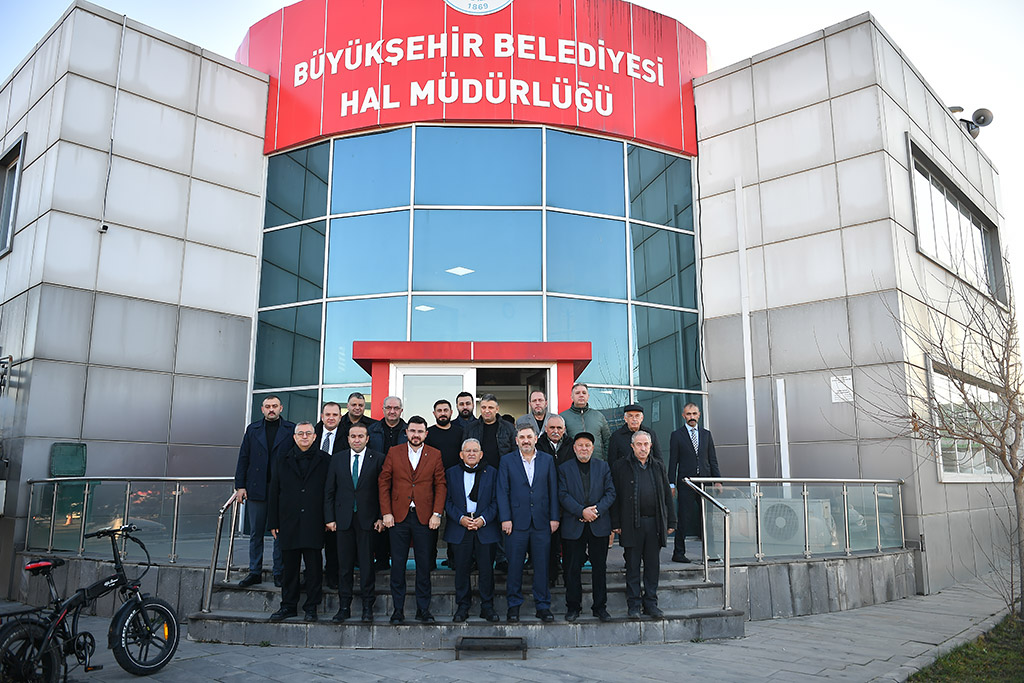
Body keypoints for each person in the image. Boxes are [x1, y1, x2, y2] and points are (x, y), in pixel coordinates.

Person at [378, 416, 446, 624]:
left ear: (426, 434)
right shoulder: (394, 452)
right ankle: (397, 610)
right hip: (398, 517)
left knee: (424, 566)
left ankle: (423, 610)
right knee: (398, 565)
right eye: (413, 431)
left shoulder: (435, 454)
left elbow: (440, 485)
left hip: (425, 518)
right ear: (406, 432)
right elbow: (384, 483)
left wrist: (437, 513)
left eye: (420, 431)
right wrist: (386, 513)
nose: (416, 435)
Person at [267, 422, 331, 622]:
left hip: (315, 520)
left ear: (314, 437)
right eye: (300, 433)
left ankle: (311, 607)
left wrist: (328, 519)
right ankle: (288, 606)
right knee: (289, 568)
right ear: (294, 437)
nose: (304, 436)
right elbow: (274, 491)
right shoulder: (281, 459)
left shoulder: (326, 460)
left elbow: (330, 492)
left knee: (314, 569)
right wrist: (273, 521)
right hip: (288, 521)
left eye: (308, 433)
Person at [497, 424, 559, 623]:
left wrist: (554, 517)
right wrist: (505, 518)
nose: (525, 440)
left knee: (542, 566)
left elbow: (553, 490)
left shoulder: (547, 460)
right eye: (522, 437)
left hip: (542, 522)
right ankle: (513, 606)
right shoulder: (507, 461)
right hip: (515, 523)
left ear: (535, 439)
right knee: (515, 566)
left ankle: (543, 606)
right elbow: (502, 491)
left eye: (529, 437)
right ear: (516, 440)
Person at [324, 422, 385, 623]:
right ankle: (344, 607)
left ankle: (368, 608)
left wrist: (381, 516)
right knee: (344, 566)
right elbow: (329, 491)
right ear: (348, 438)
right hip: (343, 520)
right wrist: (330, 518)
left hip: (368, 520)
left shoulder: (378, 459)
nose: (356, 440)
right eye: (353, 436)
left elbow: (383, 491)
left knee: (367, 566)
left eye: (360, 436)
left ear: (367, 439)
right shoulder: (337, 459)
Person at [612, 431, 676, 619]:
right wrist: (615, 522)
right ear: (632, 446)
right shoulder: (620, 467)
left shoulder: (658, 466)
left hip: (654, 524)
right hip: (631, 524)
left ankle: (651, 604)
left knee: (652, 566)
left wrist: (671, 520)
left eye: (646, 444)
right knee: (632, 566)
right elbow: (615, 496)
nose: (642, 448)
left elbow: (667, 496)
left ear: (651, 446)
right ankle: (634, 605)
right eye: (639, 444)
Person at [234, 395, 294, 588]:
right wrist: (240, 486)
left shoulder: (290, 429)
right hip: (256, 488)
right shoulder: (253, 429)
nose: (271, 409)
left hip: (281, 489)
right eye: (268, 406)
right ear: (262, 409)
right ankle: (255, 572)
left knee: (280, 533)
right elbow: (243, 458)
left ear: (281, 408)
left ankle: (279, 572)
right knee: (256, 532)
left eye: (274, 406)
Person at [558, 432, 616, 622]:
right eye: (580, 445)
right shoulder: (564, 468)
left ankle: (600, 607)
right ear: (574, 448)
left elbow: (610, 493)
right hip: (573, 525)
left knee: (599, 569)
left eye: (587, 445)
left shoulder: (603, 466)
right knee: (572, 569)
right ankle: (573, 607)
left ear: (593, 448)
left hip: (599, 525)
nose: (584, 448)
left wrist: (595, 511)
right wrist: (581, 511)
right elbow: (562, 494)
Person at [444, 438, 500, 623]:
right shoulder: (451, 473)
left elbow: (496, 500)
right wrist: (460, 518)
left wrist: (483, 520)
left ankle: (487, 606)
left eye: (475, 450)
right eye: (467, 451)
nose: (471, 454)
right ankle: (463, 606)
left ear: (481, 454)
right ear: (461, 454)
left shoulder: (492, 472)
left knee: (486, 570)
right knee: (461, 569)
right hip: (460, 526)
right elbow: (447, 501)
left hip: (485, 526)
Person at [668, 403, 721, 563]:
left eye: (694, 413)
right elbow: (673, 461)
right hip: (686, 483)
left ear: (699, 415)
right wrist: (671, 483)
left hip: (705, 482)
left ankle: (710, 553)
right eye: (688, 414)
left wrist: (717, 481)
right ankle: (678, 553)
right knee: (683, 518)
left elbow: (712, 459)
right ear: (683, 416)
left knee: (707, 519)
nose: (691, 417)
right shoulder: (677, 435)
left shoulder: (706, 434)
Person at [367, 395, 407, 571]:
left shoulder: (408, 431)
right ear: (383, 409)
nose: (392, 411)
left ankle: (396, 560)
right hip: (376, 479)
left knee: (398, 520)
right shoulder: (372, 430)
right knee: (379, 518)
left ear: (401, 410)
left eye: (396, 408)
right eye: (389, 408)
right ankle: (381, 558)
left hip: (402, 481)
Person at [314, 402, 343, 589]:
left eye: (335, 414)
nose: (331, 418)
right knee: (313, 540)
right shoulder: (311, 434)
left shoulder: (347, 436)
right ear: (322, 416)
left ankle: (332, 575)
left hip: (337, 495)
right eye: (328, 414)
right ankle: (313, 577)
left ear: (340, 417)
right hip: (314, 495)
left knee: (333, 540)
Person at [559, 383, 611, 461]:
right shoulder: (562, 417)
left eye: (584, 393)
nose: (581, 395)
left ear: (588, 396)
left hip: (597, 462)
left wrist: (605, 460)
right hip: (572, 463)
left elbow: (607, 441)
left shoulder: (599, 416)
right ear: (572, 397)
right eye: (577, 393)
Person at [465, 394, 516, 470]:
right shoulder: (470, 428)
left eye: (490, 407)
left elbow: (515, 451)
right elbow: (464, 451)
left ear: (497, 409)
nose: (487, 411)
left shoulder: (509, 427)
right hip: (478, 471)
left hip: (502, 471)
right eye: (483, 407)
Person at [426, 399, 464, 471]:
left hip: (455, 474)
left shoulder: (460, 432)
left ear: (451, 412)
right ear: (434, 413)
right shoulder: (427, 433)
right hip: (435, 474)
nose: (443, 413)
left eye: (446, 410)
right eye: (439, 411)